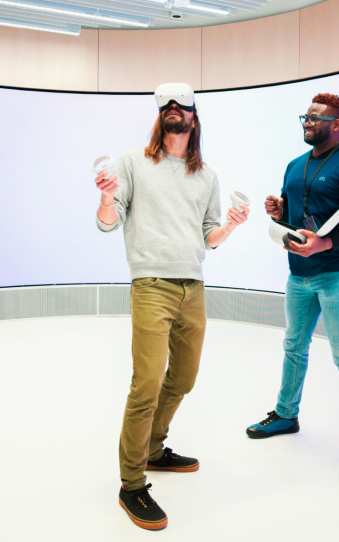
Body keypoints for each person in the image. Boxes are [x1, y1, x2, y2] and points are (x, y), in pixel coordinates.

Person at [95, 82, 249, 530]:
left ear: (194, 118)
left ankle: (154, 449)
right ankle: (131, 483)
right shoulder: (132, 163)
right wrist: (106, 200)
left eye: (183, 105)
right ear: (160, 117)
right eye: (167, 106)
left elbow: (209, 236)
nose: (175, 110)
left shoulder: (208, 176)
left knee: (183, 378)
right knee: (146, 383)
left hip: (193, 288)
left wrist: (231, 227)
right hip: (152, 285)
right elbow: (109, 222)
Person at [246, 93, 339, 484]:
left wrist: (322, 244)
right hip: (298, 274)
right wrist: (277, 210)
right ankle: (286, 415)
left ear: (335, 124)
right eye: (306, 116)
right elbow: (295, 208)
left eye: (316, 118)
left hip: (337, 273)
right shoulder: (294, 165)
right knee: (293, 347)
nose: (307, 122)